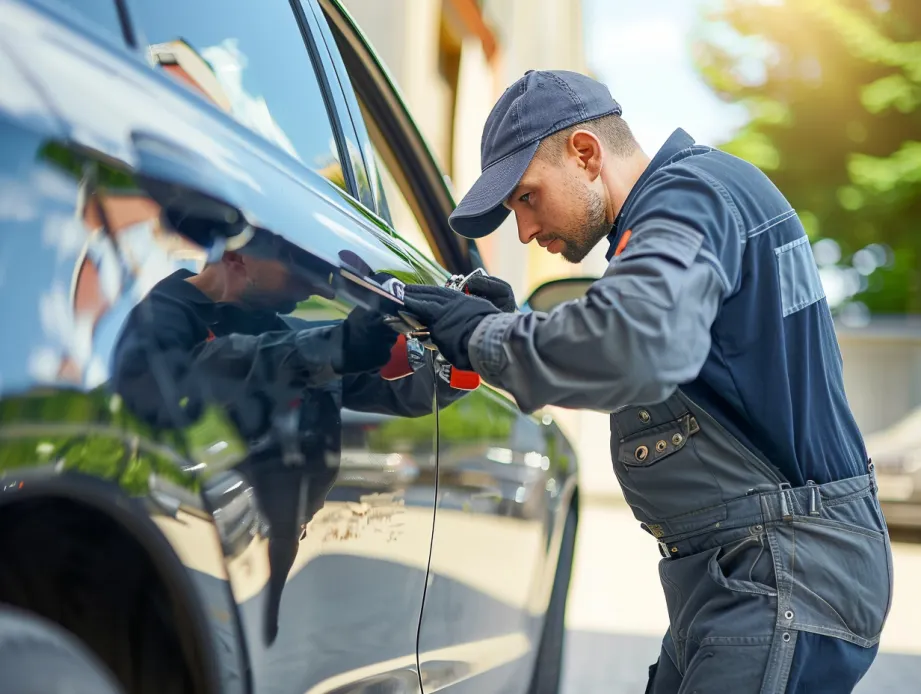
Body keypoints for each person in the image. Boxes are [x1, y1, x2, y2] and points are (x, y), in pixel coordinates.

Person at [402, 69, 892, 693]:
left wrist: (483, 338)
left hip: (780, 573)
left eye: (526, 197)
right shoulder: (702, 198)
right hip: (749, 570)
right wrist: (514, 326)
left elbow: (634, 342)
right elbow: (673, 345)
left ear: (584, 152)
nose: (523, 230)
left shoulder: (688, 197)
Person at [110, 229, 494, 644]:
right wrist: (333, 347)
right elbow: (208, 374)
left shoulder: (279, 326)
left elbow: (401, 387)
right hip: (180, 575)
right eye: (296, 264)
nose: (312, 281)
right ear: (237, 255)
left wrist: (468, 341)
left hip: (273, 577)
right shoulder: (158, 323)